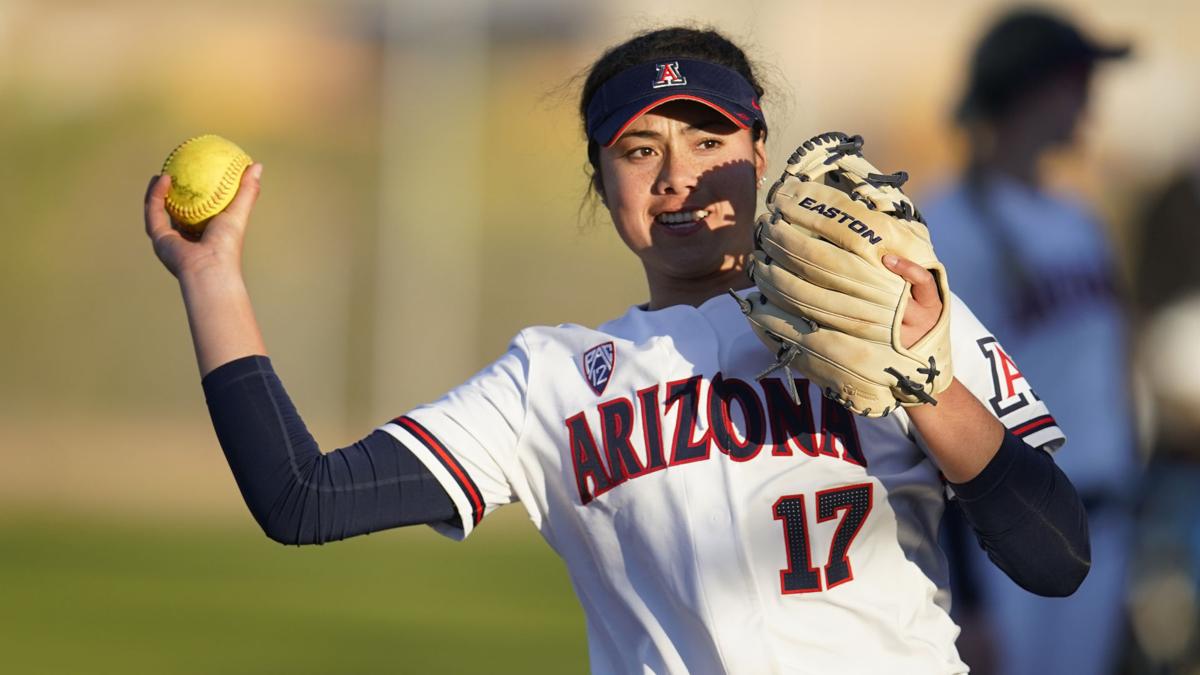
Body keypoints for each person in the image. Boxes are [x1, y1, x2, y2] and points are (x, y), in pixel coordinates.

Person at [144, 26, 1090, 674]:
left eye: (708, 136)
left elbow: (1055, 555)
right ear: (602, 182)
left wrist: (924, 379)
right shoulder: (549, 382)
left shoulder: (893, 300)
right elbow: (301, 498)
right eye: (638, 149)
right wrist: (210, 275)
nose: (680, 175)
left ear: (760, 150)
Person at [919, 9, 1135, 675]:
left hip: (1105, 519)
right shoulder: (948, 224)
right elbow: (929, 400)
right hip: (1006, 531)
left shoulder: (1080, 220)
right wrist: (967, 589)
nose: (1089, 103)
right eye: (1079, 82)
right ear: (1035, 88)